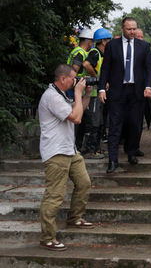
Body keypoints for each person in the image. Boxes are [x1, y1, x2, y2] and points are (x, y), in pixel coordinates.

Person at [38, 64, 93, 251]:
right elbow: (76, 119)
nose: (76, 81)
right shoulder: (52, 96)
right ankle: (47, 238)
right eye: (73, 78)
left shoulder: (61, 95)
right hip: (56, 153)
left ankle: (74, 218)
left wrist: (86, 94)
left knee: (84, 183)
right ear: (63, 79)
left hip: (69, 150)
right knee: (54, 195)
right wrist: (78, 93)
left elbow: (79, 111)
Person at [98, 17, 151, 173]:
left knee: (135, 124)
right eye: (129, 29)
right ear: (122, 29)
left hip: (136, 92)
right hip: (117, 91)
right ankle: (113, 160)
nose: (132, 32)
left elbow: (150, 69)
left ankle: (131, 152)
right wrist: (102, 89)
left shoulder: (143, 46)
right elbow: (106, 69)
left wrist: (149, 87)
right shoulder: (112, 46)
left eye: (134, 29)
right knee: (115, 125)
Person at [80, 28, 112, 159]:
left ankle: (97, 148)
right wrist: (98, 80)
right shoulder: (95, 52)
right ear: (104, 41)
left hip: (98, 94)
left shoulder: (104, 54)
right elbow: (86, 64)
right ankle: (89, 149)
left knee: (100, 122)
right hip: (92, 94)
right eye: (108, 40)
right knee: (93, 122)